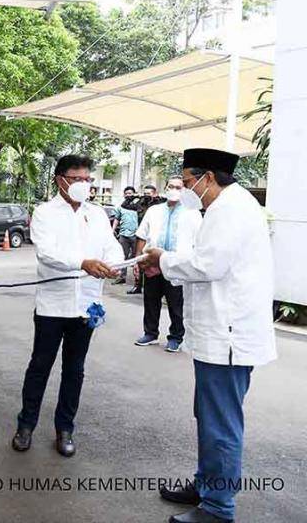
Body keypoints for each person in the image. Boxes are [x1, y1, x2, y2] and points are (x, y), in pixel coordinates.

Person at [141, 148, 276, 523]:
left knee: (221, 424)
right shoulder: (224, 208)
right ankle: (206, 485)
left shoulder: (232, 210)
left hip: (228, 337)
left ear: (209, 177)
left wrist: (161, 259)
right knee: (209, 416)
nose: (186, 190)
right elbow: (204, 261)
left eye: (188, 183)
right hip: (219, 334)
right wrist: (166, 263)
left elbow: (207, 265)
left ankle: (218, 509)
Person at [12, 155, 123, 457]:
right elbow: (47, 253)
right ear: (60, 179)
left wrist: (116, 265)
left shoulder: (97, 214)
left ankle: (65, 428)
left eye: (87, 179)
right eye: (77, 179)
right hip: (52, 305)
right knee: (40, 367)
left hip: (87, 307)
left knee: (75, 370)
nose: (83, 184)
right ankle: (26, 426)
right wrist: (83, 263)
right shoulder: (46, 213)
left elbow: (110, 246)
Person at [134, 176, 202, 353]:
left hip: (177, 265)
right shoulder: (154, 211)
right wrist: (137, 261)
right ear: (165, 188)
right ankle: (150, 333)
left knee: (176, 303)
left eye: (178, 187)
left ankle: (176, 337)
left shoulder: (192, 213)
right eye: (171, 186)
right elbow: (141, 235)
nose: (174, 190)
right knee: (151, 299)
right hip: (152, 263)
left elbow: (199, 241)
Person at [112, 186, 139, 285]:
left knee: (137, 257)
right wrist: (113, 230)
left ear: (134, 194)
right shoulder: (120, 207)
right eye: (126, 193)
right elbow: (116, 219)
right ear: (124, 195)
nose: (128, 195)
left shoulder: (138, 206)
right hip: (123, 235)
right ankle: (122, 276)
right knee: (123, 256)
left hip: (136, 235)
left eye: (130, 193)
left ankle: (138, 280)